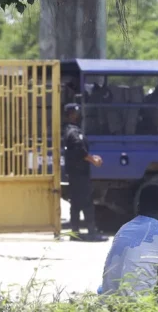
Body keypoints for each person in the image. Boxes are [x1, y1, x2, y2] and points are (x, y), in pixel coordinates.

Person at [62, 103, 106, 242]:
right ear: (71, 115)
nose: (79, 115)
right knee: (86, 203)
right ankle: (91, 233)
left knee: (75, 204)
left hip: (75, 174)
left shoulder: (70, 130)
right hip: (79, 174)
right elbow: (79, 150)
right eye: (76, 112)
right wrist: (93, 160)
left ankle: (75, 233)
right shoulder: (74, 132)